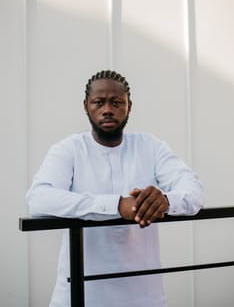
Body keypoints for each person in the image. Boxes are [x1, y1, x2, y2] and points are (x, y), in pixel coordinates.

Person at [26, 70, 204, 307]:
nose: (107, 109)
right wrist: (117, 205)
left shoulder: (150, 147)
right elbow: (38, 199)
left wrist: (165, 200)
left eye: (117, 102)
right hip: (81, 293)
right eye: (99, 102)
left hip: (145, 296)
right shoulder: (68, 149)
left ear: (129, 106)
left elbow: (193, 190)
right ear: (86, 106)